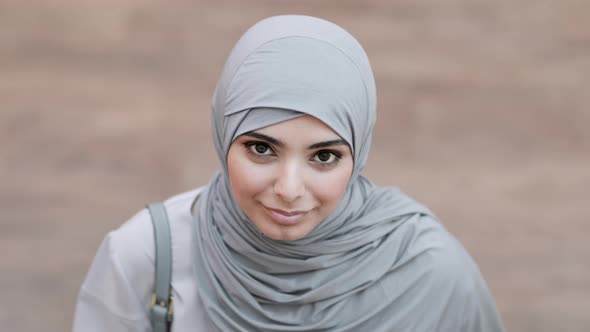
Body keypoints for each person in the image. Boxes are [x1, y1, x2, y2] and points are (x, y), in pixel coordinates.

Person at [73, 15, 505, 331]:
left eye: (324, 157)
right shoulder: (146, 258)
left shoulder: (431, 271)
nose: (289, 189)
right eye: (261, 149)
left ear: (359, 154)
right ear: (223, 136)